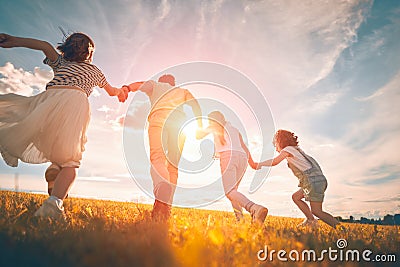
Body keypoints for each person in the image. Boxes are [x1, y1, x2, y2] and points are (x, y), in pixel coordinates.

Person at [0, 32, 129, 220]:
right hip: (75, 103)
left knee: (45, 138)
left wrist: (14, 41)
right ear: (90, 54)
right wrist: (121, 92)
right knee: (70, 162)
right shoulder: (95, 71)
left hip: (49, 102)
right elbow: (111, 91)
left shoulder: (61, 63)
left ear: (67, 49)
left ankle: (54, 166)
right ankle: (53, 205)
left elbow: (44, 45)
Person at [125, 75, 202, 220]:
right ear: (174, 83)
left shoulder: (155, 86)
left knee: (157, 158)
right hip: (179, 126)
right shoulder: (182, 91)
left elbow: (140, 84)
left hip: (159, 121)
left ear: (161, 82)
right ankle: (166, 207)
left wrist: (126, 88)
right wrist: (199, 124)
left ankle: (162, 186)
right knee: (173, 167)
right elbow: (195, 104)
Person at [256, 129, 340, 228]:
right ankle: (310, 220)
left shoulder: (287, 150)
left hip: (312, 181)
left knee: (317, 211)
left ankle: (341, 229)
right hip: (317, 180)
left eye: (275, 144)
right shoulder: (297, 150)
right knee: (296, 197)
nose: (275, 148)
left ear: (280, 141)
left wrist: (260, 164)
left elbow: (275, 162)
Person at [196, 111, 268, 223]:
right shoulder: (234, 129)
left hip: (228, 157)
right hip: (242, 158)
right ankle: (240, 220)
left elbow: (198, 135)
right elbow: (244, 147)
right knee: (233, 193)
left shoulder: (213, 126)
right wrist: (252, 163)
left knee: (230, 191)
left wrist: (199, 122)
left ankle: (254, 208)